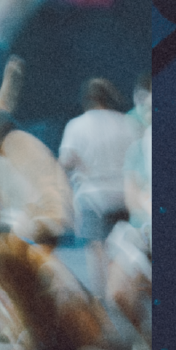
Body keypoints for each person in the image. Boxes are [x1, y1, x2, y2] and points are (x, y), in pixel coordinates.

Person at [57, 76, 136, 250]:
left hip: (93, 199)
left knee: (96, 249)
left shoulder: (76, 125)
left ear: (86, 100)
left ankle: (101, 278)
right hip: (125, 196)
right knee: (124, 250)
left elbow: (65, 162)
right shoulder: (128, 123)